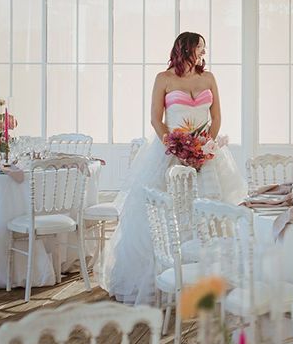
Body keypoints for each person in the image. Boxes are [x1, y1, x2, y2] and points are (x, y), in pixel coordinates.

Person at [100, 31, 247, 305]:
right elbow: (156, 119)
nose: (204, 53)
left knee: (212, 212)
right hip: (170, 151)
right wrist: (176, 147)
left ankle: (211, 281)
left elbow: (216, 117)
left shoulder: (208, 78)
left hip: (207, 152)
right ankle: (170, 279)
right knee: (167, 214)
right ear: (185, 49)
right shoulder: (164, 79)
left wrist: (205, 146)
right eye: (200, 48)